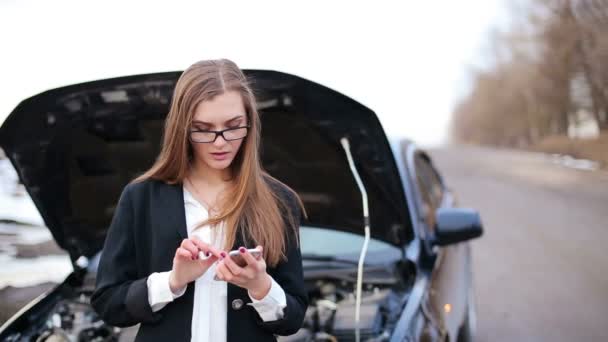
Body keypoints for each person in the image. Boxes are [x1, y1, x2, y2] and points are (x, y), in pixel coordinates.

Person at [90, 59, 308, 342]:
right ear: (182, 127)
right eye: (203, 129)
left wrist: (261, 286)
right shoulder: (141, 197)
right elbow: (108, 302)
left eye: (233, 126)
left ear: (250, 123)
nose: (220, 142)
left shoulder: (280, 201)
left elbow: (293, 318)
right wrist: (173, 281)